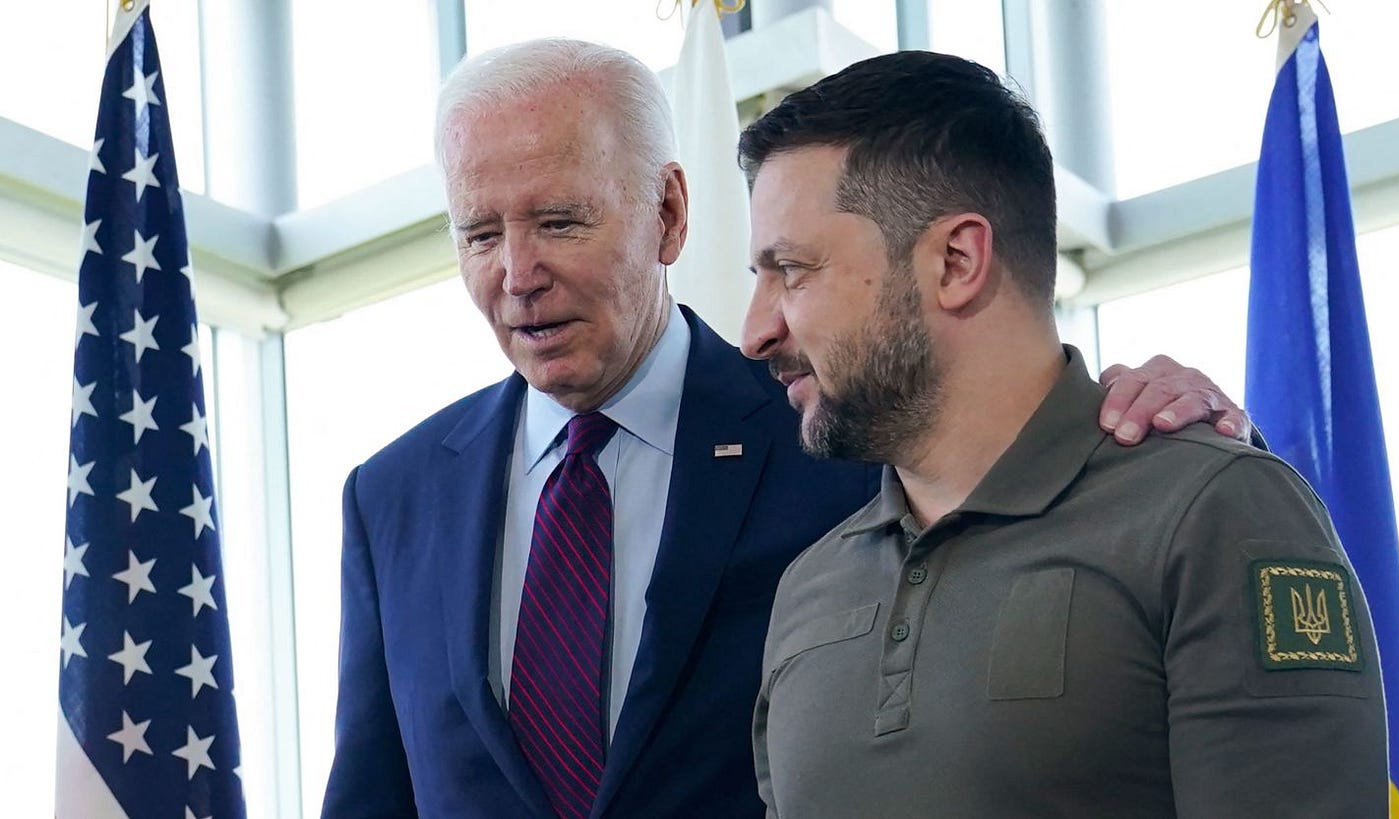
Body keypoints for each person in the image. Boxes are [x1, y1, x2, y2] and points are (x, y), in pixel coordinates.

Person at [322, 39, 1253, 819]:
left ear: (670, 214)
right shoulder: (392, 495)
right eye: (479, 235)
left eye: (560, 222)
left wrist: (1159, 412)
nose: (517, 274)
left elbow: (1002, 412)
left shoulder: (839, 424)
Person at [740, 50, 1388, 818]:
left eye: (793, 270)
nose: (755, 329)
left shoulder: (1212, 514)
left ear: (956, 261)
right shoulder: (809, 585)